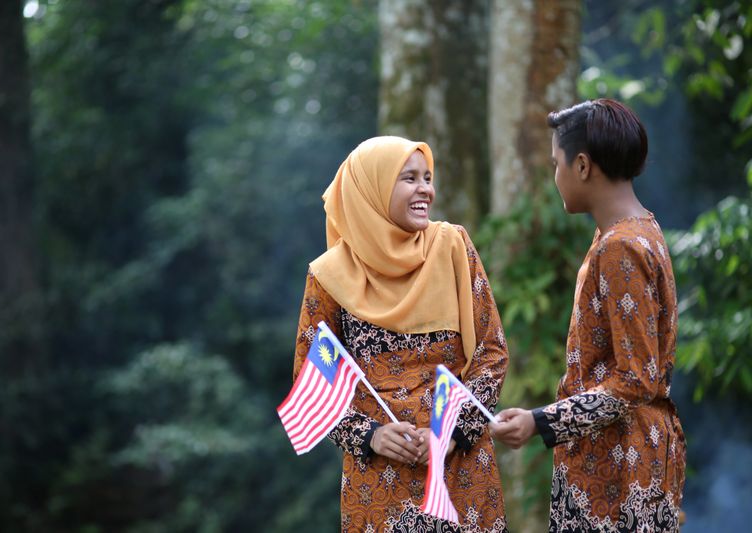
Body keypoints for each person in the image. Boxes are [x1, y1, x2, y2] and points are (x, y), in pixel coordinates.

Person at [291, 136, 509, 532]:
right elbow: (312, 377)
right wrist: (370, 436)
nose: (426, 188)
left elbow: (491, 353)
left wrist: (452, 433)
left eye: (427, 177)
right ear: (370, 190)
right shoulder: (328, 275)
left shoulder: (453, 245)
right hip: (378, 482)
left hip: (460, 468)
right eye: (408, 178)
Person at [489, 99, 686, 532]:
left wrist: (540, 421)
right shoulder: (639, 230)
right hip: (620, 453)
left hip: (620, 466)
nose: (555, 175)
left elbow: (636, 379)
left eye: (556, 163)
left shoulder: (620, 247)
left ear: (582, 166)